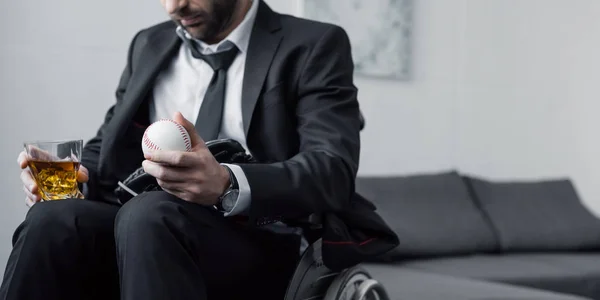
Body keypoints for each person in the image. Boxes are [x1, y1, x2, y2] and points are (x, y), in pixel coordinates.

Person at [0, 0, 398, 299]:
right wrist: (73, 178)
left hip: (262, 239)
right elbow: (108, 148)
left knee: (150, 213)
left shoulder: (314, 44)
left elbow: (332, 170)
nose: (175, 6)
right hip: (147, 228)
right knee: (54, 217)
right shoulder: (149, 43)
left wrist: (226, 184)